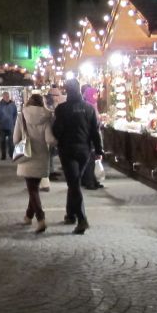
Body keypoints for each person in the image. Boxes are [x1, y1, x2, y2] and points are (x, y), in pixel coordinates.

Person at [52, 79, 103, 234]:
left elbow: (56, 130)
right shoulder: (88, 108)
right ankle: (70, 214)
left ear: (67, 91)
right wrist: (99, 150)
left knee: (74, 184)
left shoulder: (62, 109)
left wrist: (59, 138)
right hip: (84, 151)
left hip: (68, 150)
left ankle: (82, 219)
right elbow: (95, 131)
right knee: (74, 182)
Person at [13, 93, 57, 233]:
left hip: (27, 156)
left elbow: (16, 139)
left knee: (32, 190)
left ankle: (41, 219)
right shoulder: (47, 118)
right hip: (41, 157)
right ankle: (28, 216)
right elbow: (50, 140)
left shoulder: (22, 116)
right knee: (34, 189)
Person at [0, 91, 19, 160]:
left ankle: (11, 154)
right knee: (2, 142)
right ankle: (3, 155)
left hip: (10, 126)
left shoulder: (13, 105)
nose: (7, 98)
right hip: (2, 126)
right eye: (6, 96)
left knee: (11, 142)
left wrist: (13, 122)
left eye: (8, 96)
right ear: (3, 97)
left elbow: (15, 114)